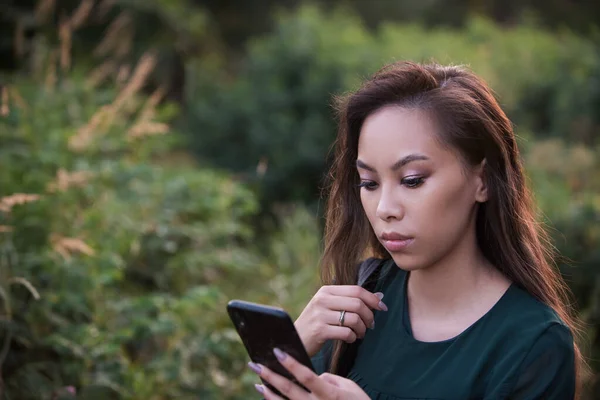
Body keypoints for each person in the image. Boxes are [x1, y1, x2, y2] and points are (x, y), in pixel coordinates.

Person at [246, 61, 584, 399]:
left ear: (481, 180)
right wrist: (286, 356)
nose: (385, 209)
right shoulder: (361, 297)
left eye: (412, 180)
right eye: (369, 182)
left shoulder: (533, 345)